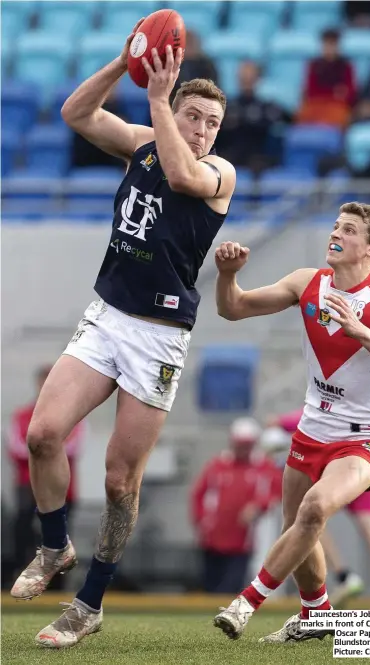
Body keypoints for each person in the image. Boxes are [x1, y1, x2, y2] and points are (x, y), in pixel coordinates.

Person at [10, 19, 236, 648]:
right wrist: (123, 60)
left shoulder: (220, 175)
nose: (200, 129)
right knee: (44, 434)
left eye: (209, 122)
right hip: (107, 316)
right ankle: (54, 546)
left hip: (159, 336)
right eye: (192, 115)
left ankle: (89, 603)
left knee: (118, 480)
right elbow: (76, 112)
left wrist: (162, 101)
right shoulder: (143, 137)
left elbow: (185, 177)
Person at [212, 201, 370, 643]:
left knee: (315, 509)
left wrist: (363, 332)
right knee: (297, 529)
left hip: (368, 437)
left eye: (349, 230)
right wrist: (228, 275)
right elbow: (234, 309)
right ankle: (317, 616)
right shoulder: (308, 282)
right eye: (335, 226)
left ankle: (246, 602)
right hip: (313, 429)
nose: (335, 234)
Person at [267, 409, 370, 610]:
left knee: (307, 521)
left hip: (337, 463)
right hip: (368, 455)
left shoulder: (328, 401)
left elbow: (292, 419)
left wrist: (277, 427)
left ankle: (343, 575)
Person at [8, 365, 85, 590]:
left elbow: (73, 446)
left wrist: (42, 447)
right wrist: (44, 447)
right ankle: (22, 572)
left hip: (62, 487)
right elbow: (15, 447)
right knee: (23, 525)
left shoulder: (74, 415)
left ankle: (57, 582)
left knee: (60, 530)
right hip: (27, 484)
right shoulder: (22, 415)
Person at [191, 418, 282, 594]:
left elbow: (277, 491)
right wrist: (201, 522)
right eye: (240, 444)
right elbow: (198, 494)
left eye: (247, 444)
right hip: (212, 539)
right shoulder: (217, 465)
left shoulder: (262, 467)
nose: (243, 449)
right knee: (210, 585)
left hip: (242, 541)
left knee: (231, 587)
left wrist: (258, 506)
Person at [216, 60, 291, 173]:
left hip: (258, 156)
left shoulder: (267, 107)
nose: (247, 80)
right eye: (243, 77)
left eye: (250, 77)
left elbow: (290, 119)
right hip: (230, 155)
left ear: (257, 79)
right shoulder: (225, 107)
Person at [296, 29, 356, 128]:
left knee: (341, 117)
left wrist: (337, 95)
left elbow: (350, 92)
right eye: (327, 44)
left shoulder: (346, 66)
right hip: (316, 105)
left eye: (333, 44)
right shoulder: (313, 65)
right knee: (302, 115)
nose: (330, 48)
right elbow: (311, 91)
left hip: (337, 106)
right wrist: (334, 92)